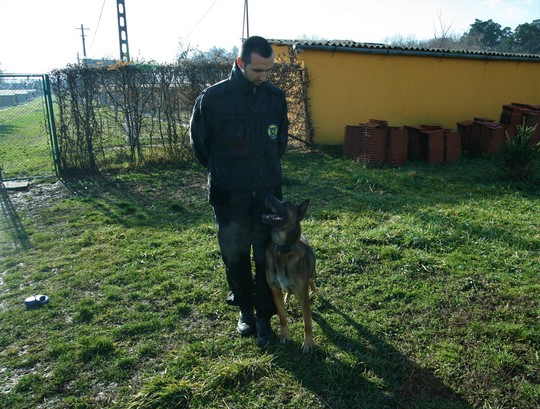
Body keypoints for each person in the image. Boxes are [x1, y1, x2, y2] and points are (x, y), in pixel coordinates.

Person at [189, 36, 289, 346]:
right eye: (258, 70)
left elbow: (280, 143)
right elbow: (200, 146)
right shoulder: (213, 99)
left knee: (265, 256)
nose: (264, 76)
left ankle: (264, 318)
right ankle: (245, 311)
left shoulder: (275, 98)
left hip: (267, 196)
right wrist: (229, 174)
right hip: (230, 196)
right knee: (235, 256)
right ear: (240, 63)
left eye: (269, 70)